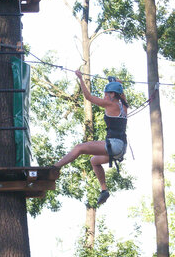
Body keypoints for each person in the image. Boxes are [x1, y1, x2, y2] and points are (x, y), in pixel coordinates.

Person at [54, 70, 128, 205]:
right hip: (121, 148)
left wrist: (80, 78)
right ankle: (104, 190)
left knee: (79, 148)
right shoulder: (123, 105)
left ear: (112, 95)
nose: (104, 97)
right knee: (94, 161)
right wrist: (116, 83)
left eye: (106, 94)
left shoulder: (110, 104)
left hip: (114, 145)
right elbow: (122, 94)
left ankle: (55, 167)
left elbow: (88, 97)